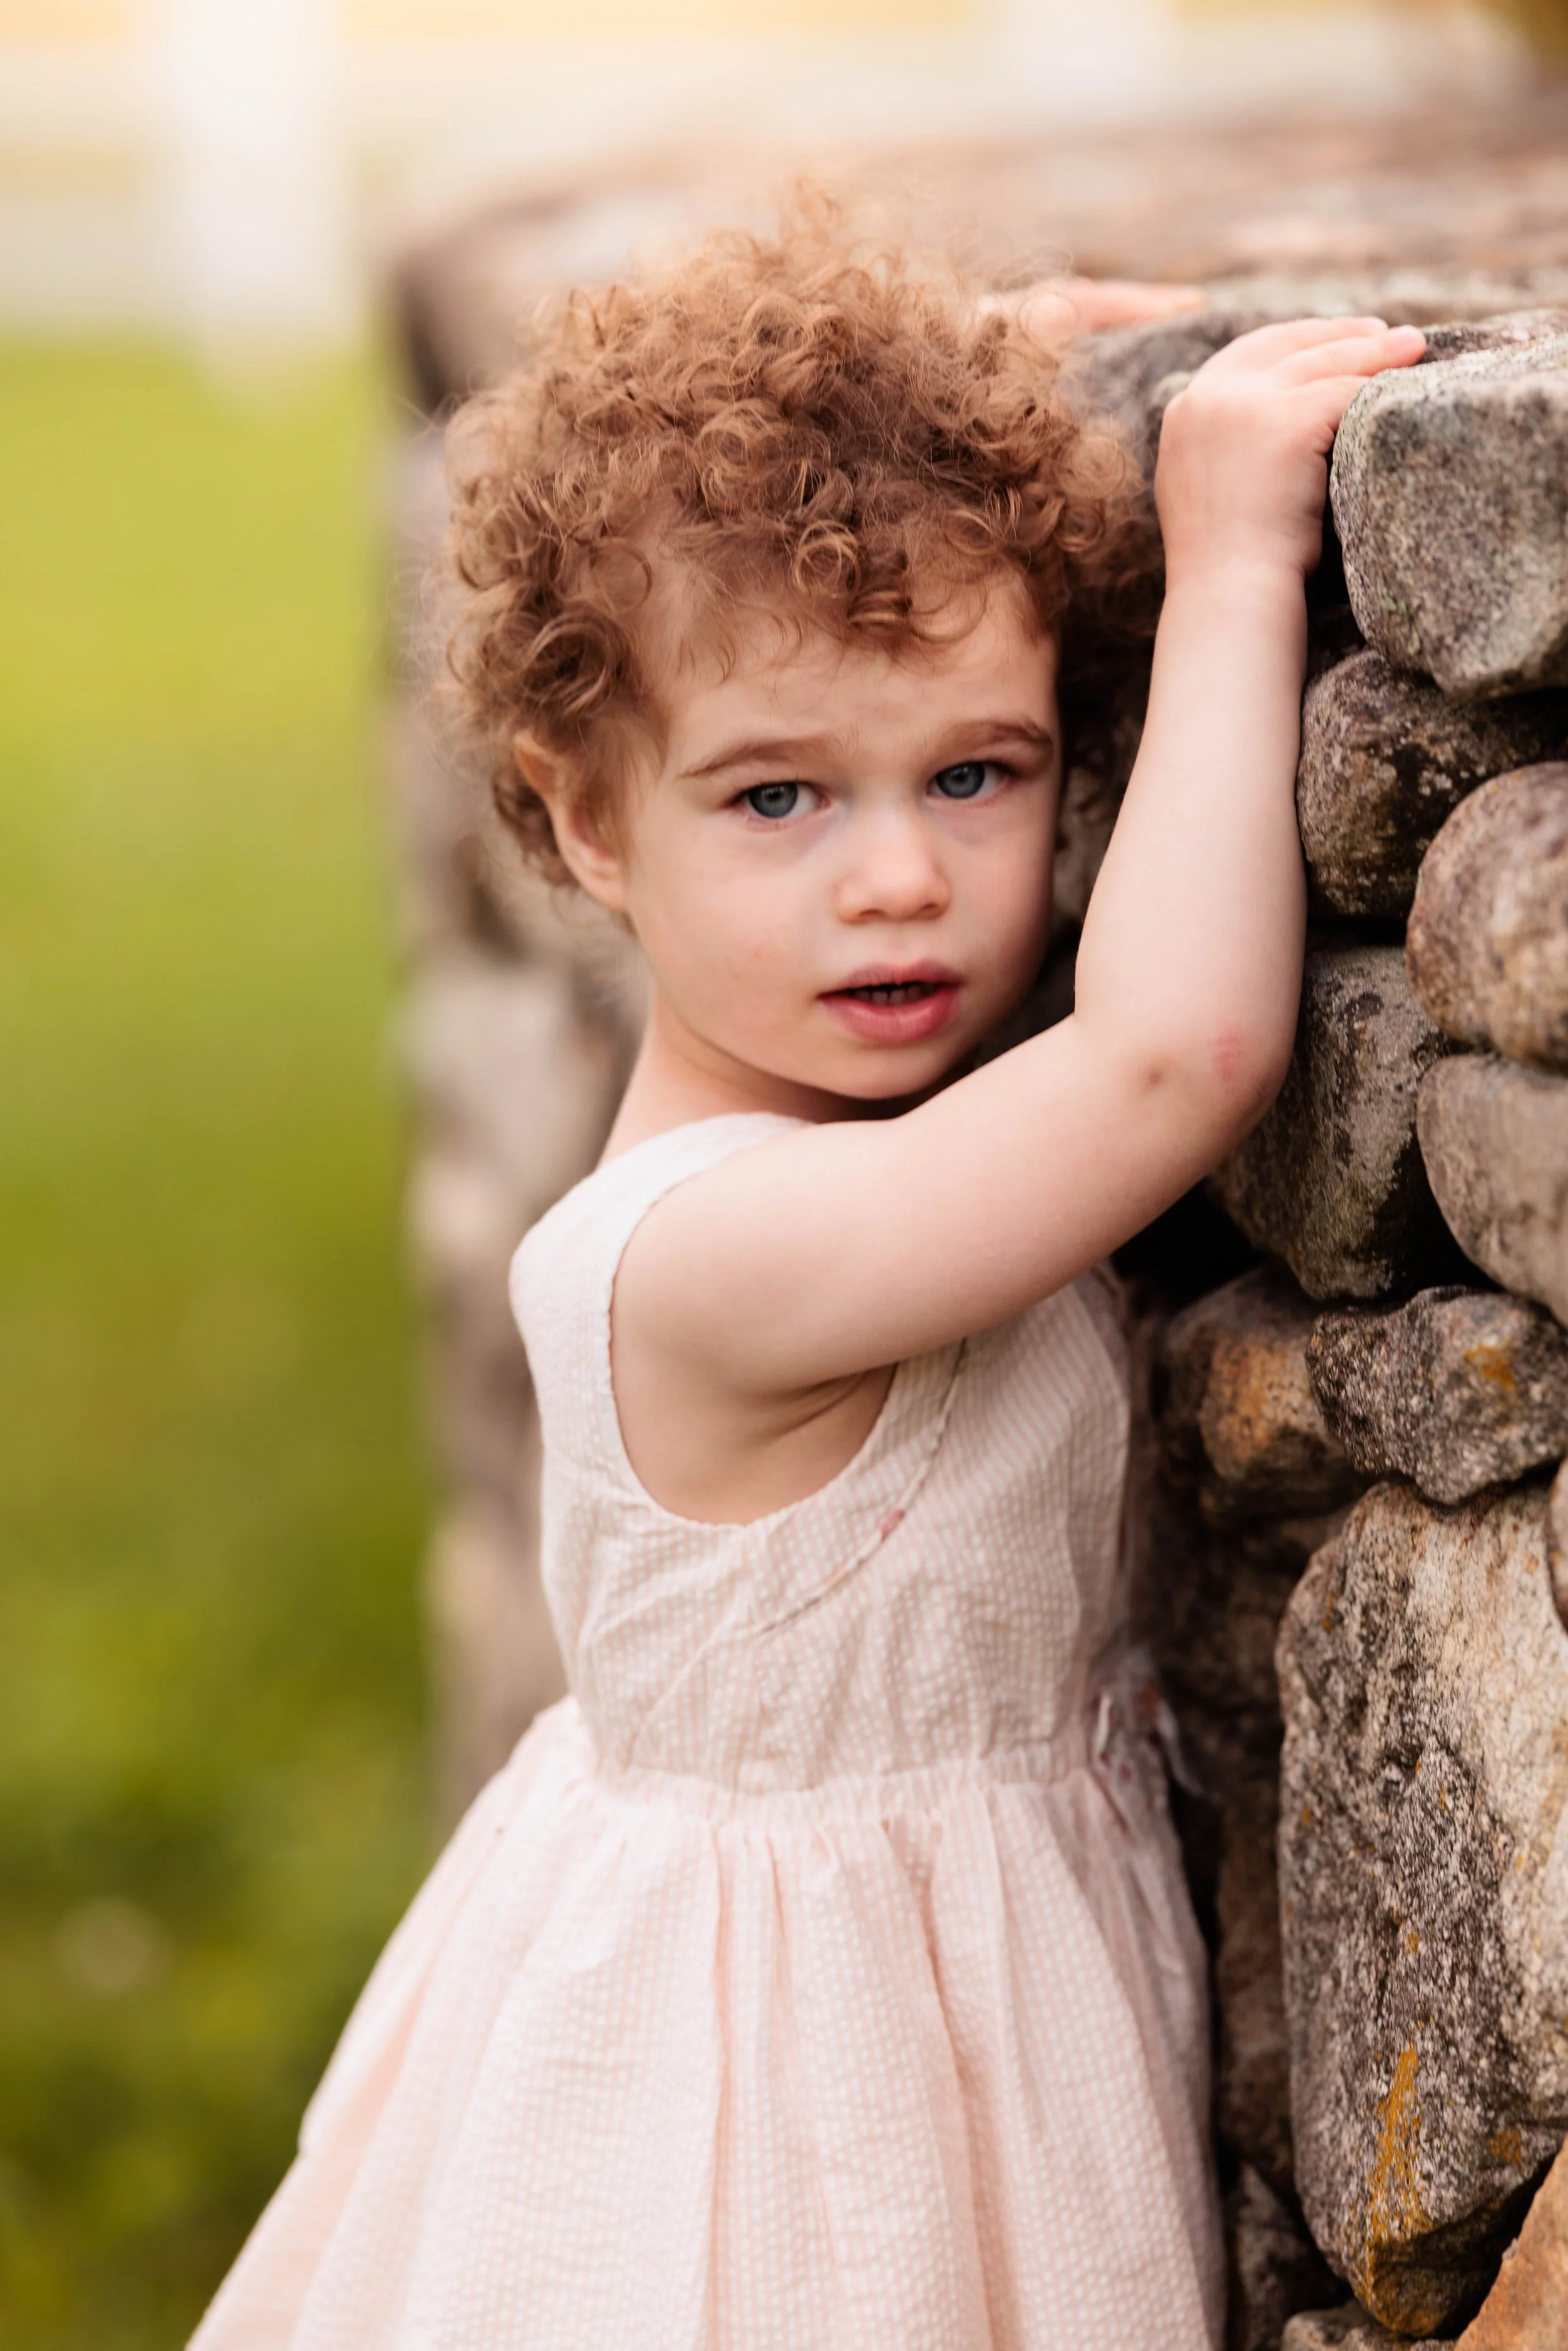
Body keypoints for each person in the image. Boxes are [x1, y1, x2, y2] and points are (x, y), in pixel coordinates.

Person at [189, 220, 1423, 2349]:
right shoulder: (708, 1253)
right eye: (774, 794)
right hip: (778, 2128)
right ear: (578, 824)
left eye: (978, 769)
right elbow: (1166, 1060)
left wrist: (986, 383)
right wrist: (1228, 562)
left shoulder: (840, 1133)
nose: (897, 875)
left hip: (941, 1996)